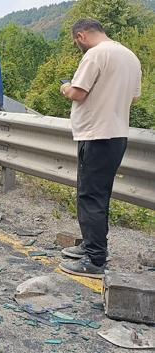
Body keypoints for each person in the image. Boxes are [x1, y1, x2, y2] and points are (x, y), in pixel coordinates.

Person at [58, 18, 141, 279]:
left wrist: (64, 87)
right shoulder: (129, 56)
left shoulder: (96, 54)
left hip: (96, 135)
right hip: (117, 135)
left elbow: (78, 93)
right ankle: (91, 246)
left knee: (90, 196)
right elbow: (135, 97)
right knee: (98, 195)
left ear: (81, 36)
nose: (78, 46)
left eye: (76, 42)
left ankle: (94, 260)